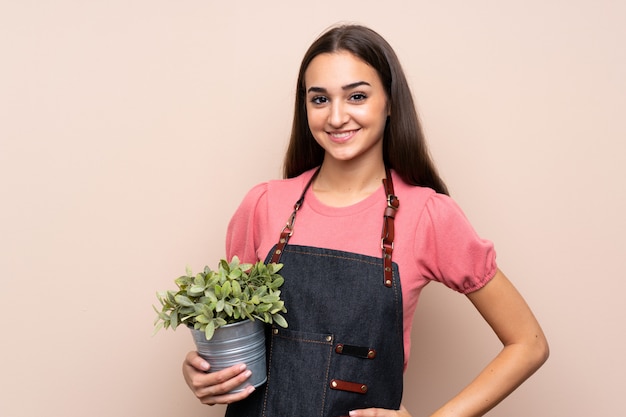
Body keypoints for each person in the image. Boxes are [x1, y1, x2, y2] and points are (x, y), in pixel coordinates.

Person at [182, 24, 549, 417]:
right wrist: (201, 372)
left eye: (357, 96)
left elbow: (529, 343)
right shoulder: (264, 204)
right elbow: (233, 337)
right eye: (319, 99)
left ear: (390, 102)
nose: (337, 117)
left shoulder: (428, 214)